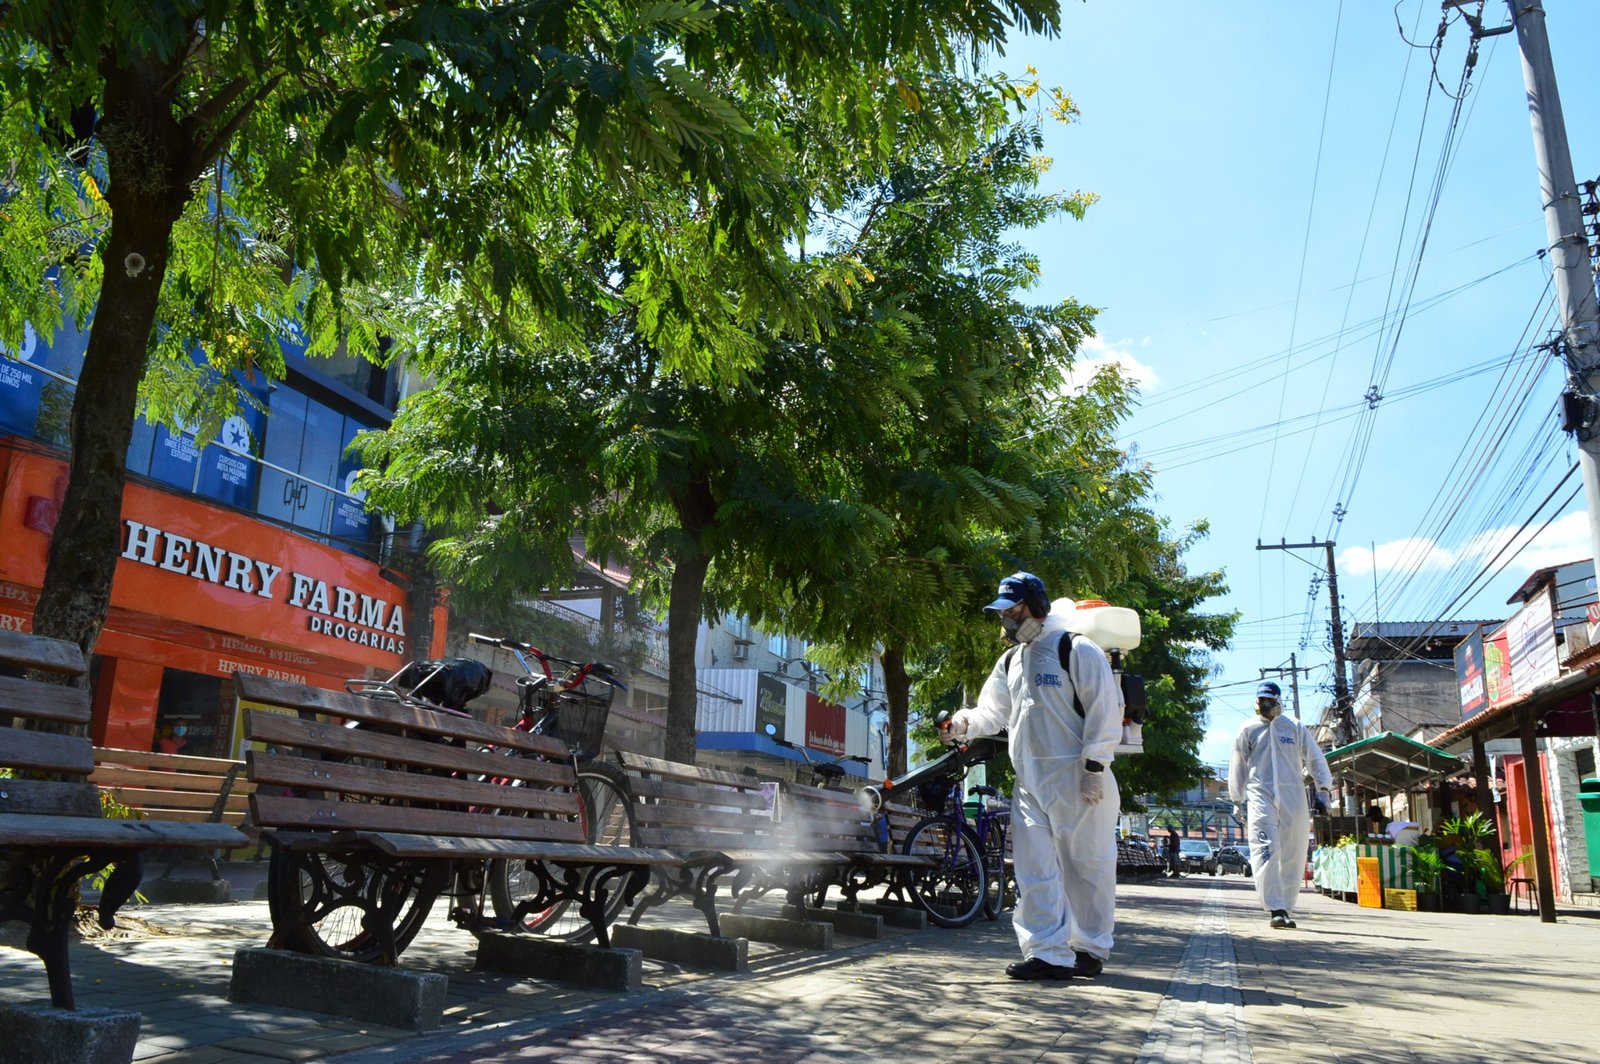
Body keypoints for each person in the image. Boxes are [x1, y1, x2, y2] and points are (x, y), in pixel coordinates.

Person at [940, 571, 1122, 981]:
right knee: (1034, 868)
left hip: (1079, 778)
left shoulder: (1075, 648)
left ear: (1037, 606)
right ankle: (1047, 953)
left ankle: (1090, 948)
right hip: (1030, 782)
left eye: (1014, 610)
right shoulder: (1011, 660)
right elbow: (992, 712)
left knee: (1087, 867)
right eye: (1002, 612)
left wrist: (1095, 766)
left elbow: (1104, 711)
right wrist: (962, 724)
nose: (1006, 619)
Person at [1229, 681, 1333, 929]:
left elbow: (1315, 757)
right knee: (1266, 848)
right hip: (1259, 795)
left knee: (1293, 851)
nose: (1264, 705)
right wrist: (1236, 798)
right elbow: (1238, 764)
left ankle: (1285, 906)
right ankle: (1274, 908)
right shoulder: (1248, 728)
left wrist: (1324, 789)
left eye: (1268, 700)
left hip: (1293, 796)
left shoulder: (1294, 727)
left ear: (1278, 701)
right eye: (1260, 701)